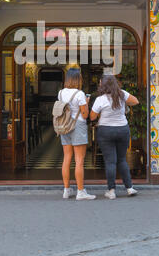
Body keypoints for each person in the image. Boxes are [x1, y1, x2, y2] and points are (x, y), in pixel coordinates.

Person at [90, 74, 139, 199]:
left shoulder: (100, 99)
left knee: (110, 161)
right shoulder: (122, 94)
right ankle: (129, 188)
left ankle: (111, 191)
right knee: (122, 160)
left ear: (104, 85)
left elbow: (92, 117)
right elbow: (135, 101)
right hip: (122, 129)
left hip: (106, 131)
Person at [59, 68, 96, 201]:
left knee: (67, 158)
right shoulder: (80, 94)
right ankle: (80, 192)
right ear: (78, 79)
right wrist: (86, 102)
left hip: (65, 125)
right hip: (78, 126)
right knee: (79, 160)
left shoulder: (61, 93)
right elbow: (85, 114)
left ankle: (66, 189)